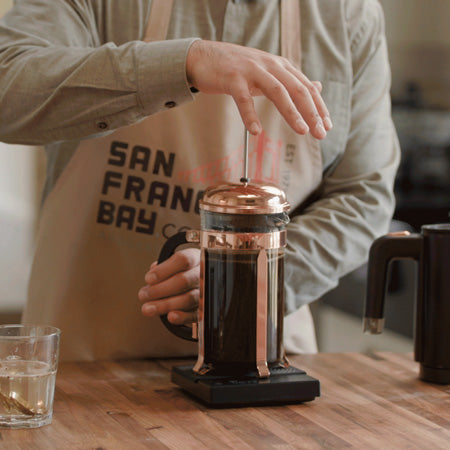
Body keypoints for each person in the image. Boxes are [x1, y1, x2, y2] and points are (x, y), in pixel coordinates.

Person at [0, 0, 399, 361]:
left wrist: (244, 283)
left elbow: (363, 196)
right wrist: (184, 63)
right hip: (88, 374)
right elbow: (8, 88)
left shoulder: (348, 16)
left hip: (262, 373)